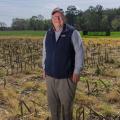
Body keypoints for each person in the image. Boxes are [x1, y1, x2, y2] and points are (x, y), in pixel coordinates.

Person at [42, 7, 84, 120]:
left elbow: (79, 52)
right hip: (50, 77)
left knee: (66, 109)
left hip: (67, 78)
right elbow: (45, 52)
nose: (57, 18)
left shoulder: (72, 32)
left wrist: (77, 71)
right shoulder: (48, 34)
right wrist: (44, 68)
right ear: (51, 19)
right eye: (55, 17)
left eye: (60, 16)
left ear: (64, 18)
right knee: (53, 107)